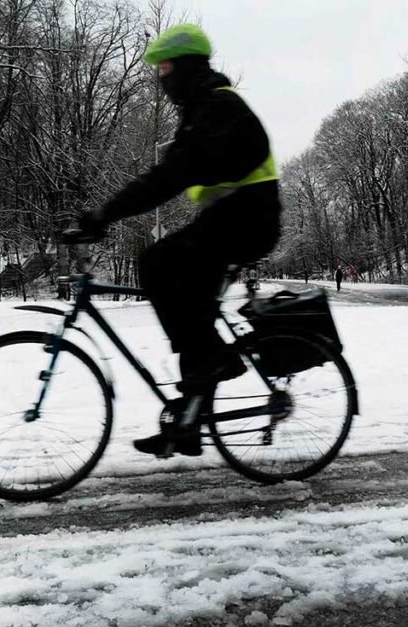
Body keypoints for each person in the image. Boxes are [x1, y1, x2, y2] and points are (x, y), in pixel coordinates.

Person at [64, 24, 281, 457]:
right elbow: (173, 173)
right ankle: (187, 423)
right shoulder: (202, 109)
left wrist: (104, 215)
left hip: (248, 220)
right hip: (233, 217)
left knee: (158, 264)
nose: (160, 76)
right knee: (191, 311)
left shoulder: (219, 109)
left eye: (164, 66)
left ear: (185, 66)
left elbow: (168, 177)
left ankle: (216, 363)